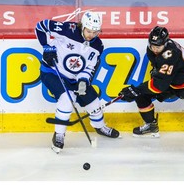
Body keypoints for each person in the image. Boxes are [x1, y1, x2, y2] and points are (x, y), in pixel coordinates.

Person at [35, 11, 120, 154]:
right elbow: (41, 26)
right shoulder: (67, 29)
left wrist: (83, 80)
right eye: (88, 31)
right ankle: (59, 134)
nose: (91, 35)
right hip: (52, 72)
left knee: (93, 101)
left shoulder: (98, 45)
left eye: (95, 32)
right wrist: (46, 46)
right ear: (82, 26)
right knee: (67, 99)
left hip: (75, 78)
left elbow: (89, 66)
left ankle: (100, 127)